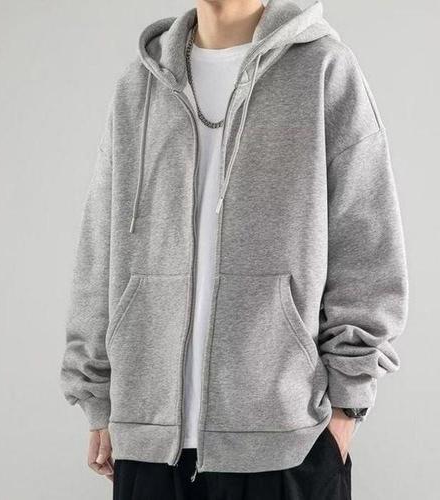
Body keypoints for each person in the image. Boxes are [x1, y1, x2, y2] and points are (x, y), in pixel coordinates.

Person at [60, 0, 408, 498]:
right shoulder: (139, 87)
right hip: (148, 445)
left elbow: (368, 248)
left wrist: (345, 410)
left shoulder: (323, 70)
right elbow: (101, 246)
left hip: (287, 443)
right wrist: (99, 398)